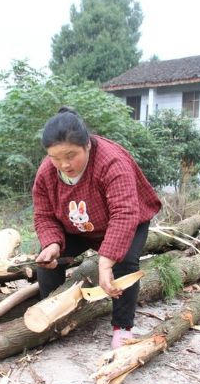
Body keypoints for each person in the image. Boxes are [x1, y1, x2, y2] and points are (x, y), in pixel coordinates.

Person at [32, 107, 161, 349]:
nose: (64, 164)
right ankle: (51, 316)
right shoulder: (47, 173)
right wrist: (51, 243)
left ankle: (122, 328)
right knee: (46, 261)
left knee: (124, 264)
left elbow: (124, 213)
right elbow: (44, 214)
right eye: (55, 158)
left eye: (71, 155)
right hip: (78, 227)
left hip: (125, 221)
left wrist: (106, 261)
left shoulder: (111, 161)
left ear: (87, 145)